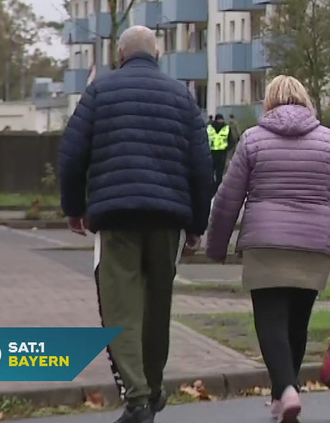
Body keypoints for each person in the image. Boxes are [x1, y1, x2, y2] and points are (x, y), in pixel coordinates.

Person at [58, 26, 214, 423]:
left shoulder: (99, 93)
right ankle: (154, 386)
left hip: (117, 216)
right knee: (157, 305)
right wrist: (198, 223)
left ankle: (139, 398)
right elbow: (201, 166)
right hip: (168, 219)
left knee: (120, 308)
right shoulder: (182, 96)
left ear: (121, 54)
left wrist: (75, 208)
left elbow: (72, 154)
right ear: (157, 54)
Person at [205, 75, 330, 423]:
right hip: (314, 247)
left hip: (265, 244)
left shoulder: (252, 140)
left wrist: (216, 246)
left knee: (270, 322)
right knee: (297, 324)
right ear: (305, 100)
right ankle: (286, 392)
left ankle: (285, 390)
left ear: (268, 103)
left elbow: (227, 199)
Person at [207, 113, 231, 186]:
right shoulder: (209, 128)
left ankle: (218, 186)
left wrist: (227, 148)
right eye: (219, 120)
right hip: (211, 152)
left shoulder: (227, 128)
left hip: (222, 152)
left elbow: (231, 140)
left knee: (219, 172)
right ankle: (211, 186)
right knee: (210, 171)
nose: (220, 121)